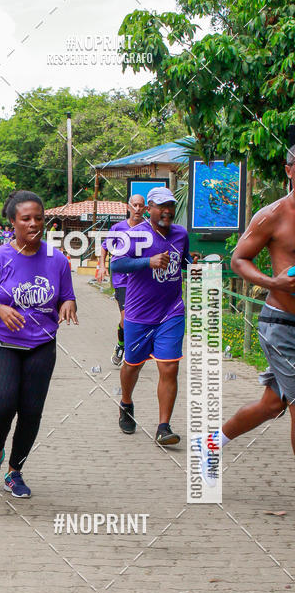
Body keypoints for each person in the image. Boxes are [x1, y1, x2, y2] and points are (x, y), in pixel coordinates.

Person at [196, 146, 295, 483]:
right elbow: (239, 260)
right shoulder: (273, 215)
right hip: (282, 324)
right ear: (289, 171)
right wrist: (274, 282)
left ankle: (210, 442)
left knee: (272, 404)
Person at [0, 189, 78, 498]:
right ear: (13, 223)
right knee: (2, 405)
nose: (34, 224)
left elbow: (66, 294)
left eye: (39, 218)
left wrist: (69, 304)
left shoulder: (56, 259)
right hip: (2, 344)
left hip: (41, 346)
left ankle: (15, 471)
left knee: (31, 411)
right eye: (26, 219)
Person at [111, 187, 191, 446]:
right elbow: (117, 264)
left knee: (169, 366)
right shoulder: (134, 235)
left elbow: (185, 261)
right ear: (149, 210)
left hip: (172, 311)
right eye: (160, 206)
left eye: (170, 205)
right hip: (139, 313)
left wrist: (197, 263)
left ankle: (163, 427)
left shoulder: (181, 233)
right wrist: (148, 262)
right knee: (133, 365)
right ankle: (126, 403)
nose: (167, 210)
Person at [98, 194, 146, 365]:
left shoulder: (149, 228)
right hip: (122, 280)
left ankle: (136, 348)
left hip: (142, 279)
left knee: (139, 317)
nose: (138, 209)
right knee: (126, 316)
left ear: (145, 208)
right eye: (135, 205)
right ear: (128, 207)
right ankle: (121, 345)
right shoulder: (118, 228)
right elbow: (105, 248)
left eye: (141, 206)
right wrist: (102, 266)